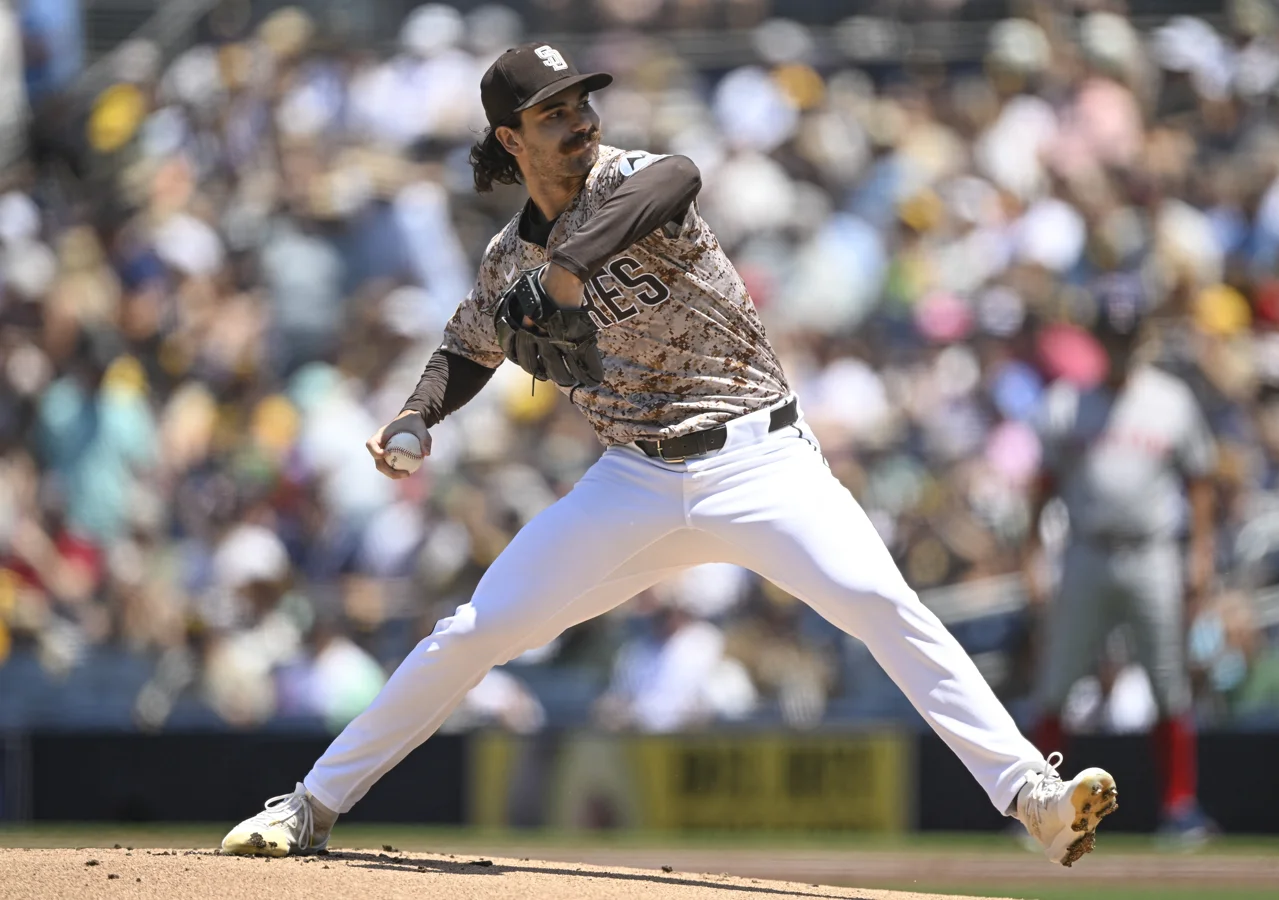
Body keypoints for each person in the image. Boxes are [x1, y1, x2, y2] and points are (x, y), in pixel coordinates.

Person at [220, 42, 1117, 867]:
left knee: (882, 603)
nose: (580, 122)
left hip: (760, 456)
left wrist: (566, 270)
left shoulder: (632, 179)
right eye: (554, 113)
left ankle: (1033, 797)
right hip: (636, 479)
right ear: (511, 139)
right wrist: (416, 418)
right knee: (474, 631)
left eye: (582, 104)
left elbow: (679, 175)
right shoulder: (505, 259)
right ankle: (311, 805)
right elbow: (466, 348)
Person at [1024, 271, 1215, 840]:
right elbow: (1042, 485)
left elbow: (1200, 482)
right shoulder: (1068, 403)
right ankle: (1037, 805)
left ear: (1143, 337)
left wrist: (1201, 552)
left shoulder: (1170, 400)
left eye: (1128, 335)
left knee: (1167, 680)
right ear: (1097, 338)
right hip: (1085, 551)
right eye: (1111, 334)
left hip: (1152, 552)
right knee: (1057, 681)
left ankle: (1179, 807)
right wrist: (1032, 551)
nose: (1120, 344)